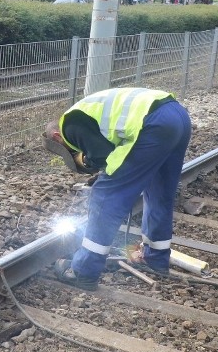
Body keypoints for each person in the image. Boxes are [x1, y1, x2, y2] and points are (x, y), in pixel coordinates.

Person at [43, 87, 192, 291]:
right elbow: (114, 151)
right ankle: (156, 259)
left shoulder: (70, 124)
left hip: (153, 123)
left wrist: (92, 164)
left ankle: (84, 271)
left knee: (104, 195)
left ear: (57, 136)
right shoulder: (87, 109)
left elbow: (102, 156)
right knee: (159, 192)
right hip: (177, 116)